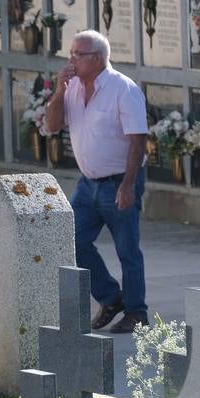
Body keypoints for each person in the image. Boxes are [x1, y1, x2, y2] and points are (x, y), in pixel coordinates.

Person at [40, 30, 150, 334]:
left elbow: (138, 141)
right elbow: (51, 125)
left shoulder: (123, 89)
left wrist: (128, 185)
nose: (71, 60)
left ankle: (137, 312)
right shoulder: (72, 87)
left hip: (119, 181)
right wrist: (59, 91)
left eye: (78, 55)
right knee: (68, 240)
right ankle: (110, 297)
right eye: (71, 54)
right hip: (87, 184)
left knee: (127, 249)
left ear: (98, 58)